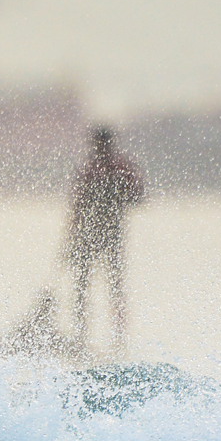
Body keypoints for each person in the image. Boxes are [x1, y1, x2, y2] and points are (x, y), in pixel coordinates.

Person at [62, 125, 144, 353]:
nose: (98, 148)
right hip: (92, 235)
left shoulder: (105, 169)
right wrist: (69, 241)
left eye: (100, 144)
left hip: (103, 235)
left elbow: (138, 196)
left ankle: (115, 339)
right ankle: (84, 336)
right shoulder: (103, 168)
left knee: (109, 286)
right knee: (86, 286)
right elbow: (77, 207)